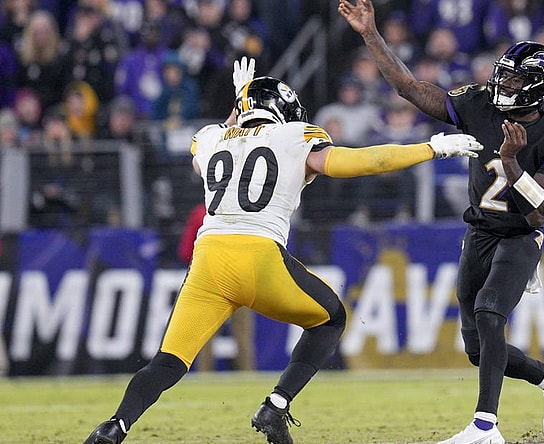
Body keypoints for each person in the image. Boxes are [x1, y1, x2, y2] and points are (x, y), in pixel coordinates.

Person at [82, 56, 483, 444]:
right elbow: (359, 162)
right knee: (331, 318)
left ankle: (116, 426)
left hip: (208, 261)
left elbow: (211, 151)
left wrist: (238, 106)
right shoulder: (295, 136)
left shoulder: (211, 137)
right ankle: (276, 405)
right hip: (259, 257)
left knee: (167, 362)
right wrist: (430, 148)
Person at [339, 1, 544, 442]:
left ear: (537, 88)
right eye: (503, 73)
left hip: (520, 236)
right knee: (477, 348)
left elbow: (541, 210)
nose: (502, 82)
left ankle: (485, 426)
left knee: (491, 313)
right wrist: (370, 34)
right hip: (479, 234)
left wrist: (511, 161)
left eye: (514, 78)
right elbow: (409, 88)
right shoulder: (478, 103)